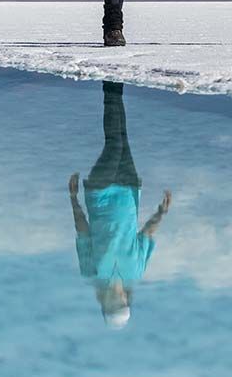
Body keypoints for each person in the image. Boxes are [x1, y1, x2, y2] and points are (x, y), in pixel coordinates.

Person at [68, 81, 172, 328]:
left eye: (112, 305)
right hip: (129, 189)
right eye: (121, 304)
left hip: (100, 193)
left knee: (114, 141)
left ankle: (111, 85)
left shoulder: (91, 272)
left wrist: (73, 200)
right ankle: (115, 84)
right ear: (127, 300)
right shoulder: (135, 272)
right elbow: (145, 235)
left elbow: (83, 232)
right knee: (121, 136)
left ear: (104, 303)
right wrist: (161, 212)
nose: (117, 300)